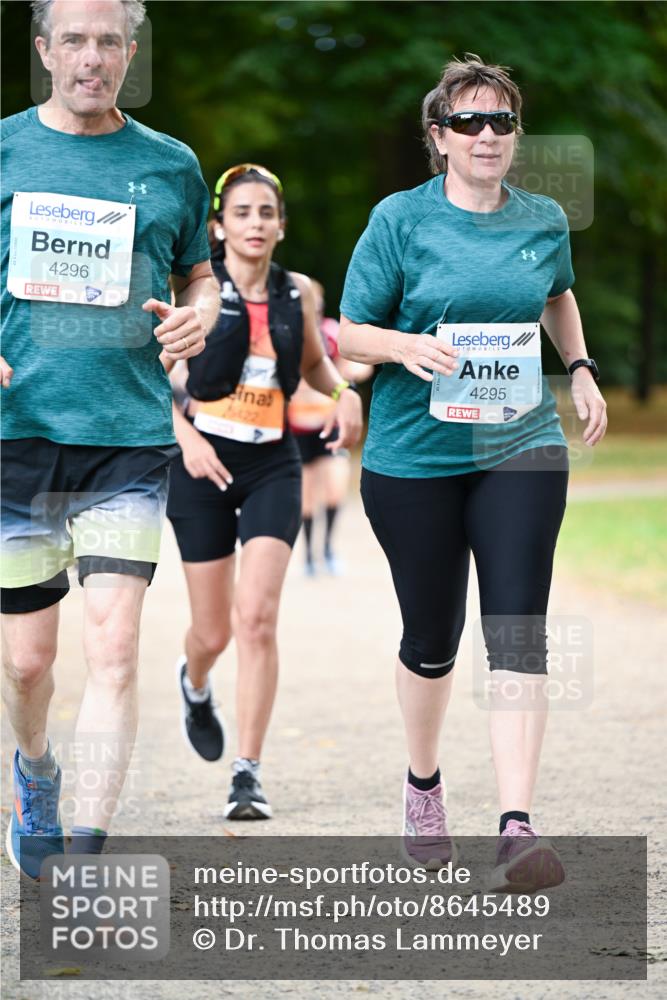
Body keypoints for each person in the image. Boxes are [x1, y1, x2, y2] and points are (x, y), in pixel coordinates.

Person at [338, 54, 607, 884]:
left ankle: (516, 825)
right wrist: (403, 345)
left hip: (519, 446)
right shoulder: (399, 221)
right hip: (412, 457)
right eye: (467, 122)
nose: (485, 135)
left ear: (514, 135)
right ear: (439, 137)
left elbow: (558, 294)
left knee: (518, 632)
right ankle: (423, 786)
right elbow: (346, 333)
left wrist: (583, 366)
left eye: (500, 121)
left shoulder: (543, 220)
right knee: (431, 639)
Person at [0, 0, 219, 879]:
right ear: (46, 49)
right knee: (26, 664)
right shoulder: (7, 148)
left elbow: (199, 276)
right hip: (19, 436)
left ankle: (83, 860)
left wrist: (200, 319)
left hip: (126, 440)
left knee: (116, 645)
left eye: (109, 42)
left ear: (130, 52)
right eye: (75, 41)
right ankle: (36, 771)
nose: (92, 58)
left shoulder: (170, 165)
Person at [166, 164, 362, 820]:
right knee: (214, 630)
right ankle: (194, 683)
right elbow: (143, 377)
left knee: (257, 617)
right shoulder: (195, 292)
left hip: (272, 463)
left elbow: (310, 362)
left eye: (266, 213)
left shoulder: (296, 291)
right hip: (201, 466)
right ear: (217, 225)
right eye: (242, 213)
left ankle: (246, 773)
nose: (255, 224)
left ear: (280, 225)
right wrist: (185, 439)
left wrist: (342, 392)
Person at [287, 281, 373, 575]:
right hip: (298, 427)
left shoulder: (330, 332)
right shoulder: (286, 332)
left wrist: (348, 375)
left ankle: (327, 548)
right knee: (307, 497)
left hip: (330, 423)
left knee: (335, 490)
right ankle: (310, 556)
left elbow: (362, 363)